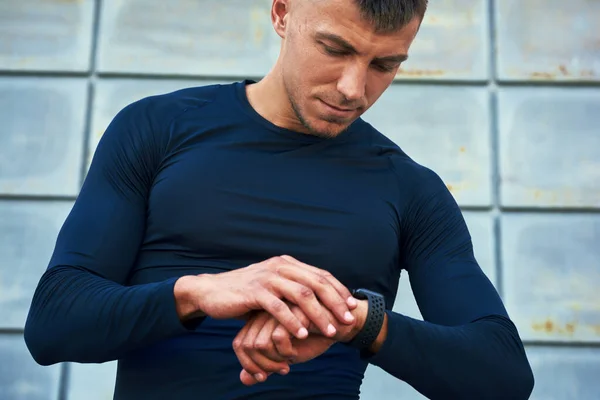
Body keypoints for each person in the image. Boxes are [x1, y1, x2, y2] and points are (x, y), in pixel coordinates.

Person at [24, 0, 535, 398]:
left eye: (385, 64)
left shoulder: (411, 189)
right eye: (335, 49)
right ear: (282, 12)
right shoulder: (156, 129)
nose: (353, 88)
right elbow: (54, 322)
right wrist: (198, 294)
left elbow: (502, 376)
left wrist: (355, 322)